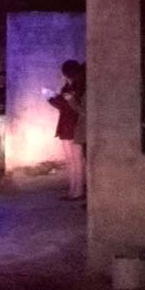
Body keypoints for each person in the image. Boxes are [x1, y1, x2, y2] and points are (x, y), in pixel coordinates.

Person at [47, 59, 86, 201]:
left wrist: (59, 99)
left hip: (74, 124)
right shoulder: (68, 86)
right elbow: (62, 105)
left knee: (76, 159)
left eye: (64, 73)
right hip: (66, 123)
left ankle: (78, 191)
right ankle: (73, 190)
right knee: (71, 160)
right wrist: (52, 98)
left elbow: (74, 107)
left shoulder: (80, 86)